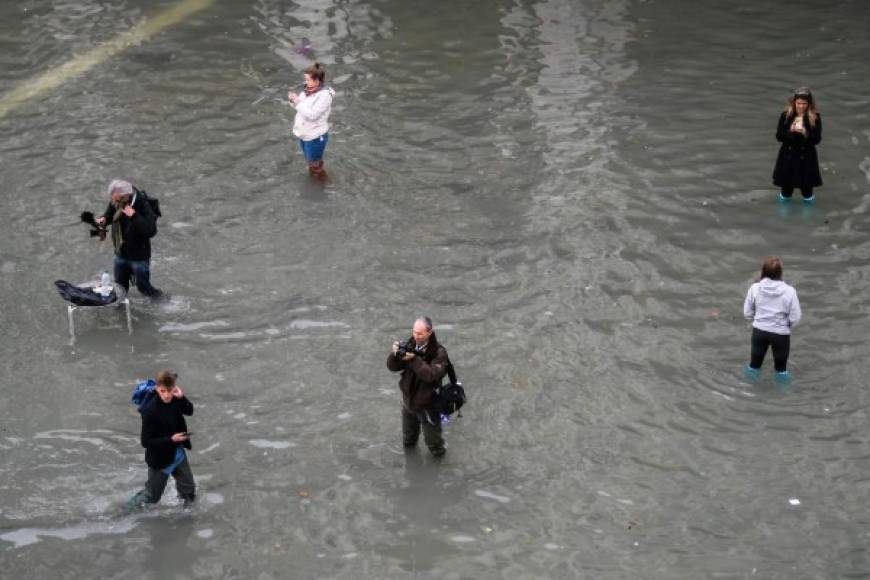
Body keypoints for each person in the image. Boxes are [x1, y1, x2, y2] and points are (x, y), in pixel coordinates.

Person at [128, 371, 195, 508]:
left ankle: (188, 517)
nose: (166, 395)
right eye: (162, 391)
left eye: (169, 391)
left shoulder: (176, 398)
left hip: (178, 454)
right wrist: (171, 440)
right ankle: (127, 509)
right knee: (151, 498)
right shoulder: (150, 411)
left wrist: (182, 397)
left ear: (174, 387)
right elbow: (145, 442)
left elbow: (189, 411)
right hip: (160, 461)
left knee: (189, 490)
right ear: (157, 388)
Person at [386, 317, 449, 457]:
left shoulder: (439, 353)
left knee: (434, 446)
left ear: (429, 332)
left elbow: (431, 375)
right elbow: (392, 367)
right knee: (408, 441)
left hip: (428, 406)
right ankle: (411, 470)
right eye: (414, 332)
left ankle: (440, 470)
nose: (416, 336)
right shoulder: (411, 344)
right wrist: (395, 354)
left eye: (420, 334)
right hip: (408, 403)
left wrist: (413, 359)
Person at [95, 179, 163, 299]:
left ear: (127, 195)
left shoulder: (143, 204)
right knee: (120, 287)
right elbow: (109, 215)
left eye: (118, 200)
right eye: (113, 199)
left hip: (139, 256)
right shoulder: (117, 201)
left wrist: (133, 215)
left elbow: (151, 231)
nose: (115, 202)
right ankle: (120, 309)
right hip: (121, 252)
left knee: (144, 288)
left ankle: (162, 299)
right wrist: (103, 220)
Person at [743, 257, 802, 382]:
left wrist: (760, 319)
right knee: (781, 371)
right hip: (780, 335)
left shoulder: (754, 288)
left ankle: (748, 390)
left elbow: (747, 313)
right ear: (781, 273)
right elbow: (795, 318)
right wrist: (786, 325)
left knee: (753, 366)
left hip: (759, 332)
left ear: (763, 271)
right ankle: (784, 397)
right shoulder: (790, 292)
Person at [773, 87, 822, 203]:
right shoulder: (785, 116)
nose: (801, 106)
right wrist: (790, 131)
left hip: (807, 157)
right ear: (794, 102)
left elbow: (817, 140)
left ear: (809, 104)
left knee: (807, 191)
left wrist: (805, 133)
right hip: (788, 156)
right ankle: (783, 217)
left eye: (804, 103)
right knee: (786, 190)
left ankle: (809, 217)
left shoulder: (815, 117)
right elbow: (779, 137)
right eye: (798, 103)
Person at [288, 62, 335, 178]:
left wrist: (298, 102)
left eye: (308, 80)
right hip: (304, 133)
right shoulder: (307, 90)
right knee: (311, 162)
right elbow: (300, 109)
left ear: (318, 80)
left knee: (315, 166)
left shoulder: (324, 96)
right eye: (305, 79)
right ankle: (316, 178)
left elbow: (312, 115)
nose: (306, 82)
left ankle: (321, 184)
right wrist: (293, 100)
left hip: (315, 136)